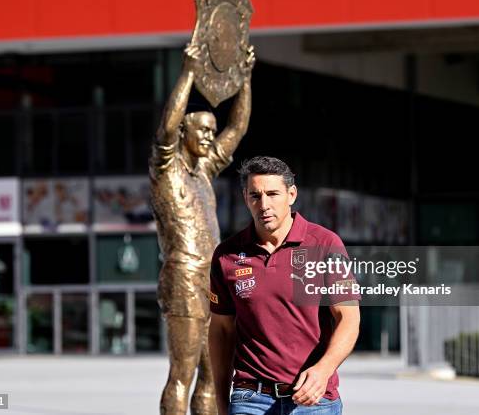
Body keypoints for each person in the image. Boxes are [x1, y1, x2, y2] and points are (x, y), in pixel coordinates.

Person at [208, 157, 361, 415]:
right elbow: (221, 331)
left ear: (291, 194)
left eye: (272, 194)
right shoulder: (227, 255)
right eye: (255, 195)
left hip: (314, 400)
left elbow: (349, 318)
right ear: (245, 198)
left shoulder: (324, 244)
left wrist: (323, 370)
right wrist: (222, 403)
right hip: (250, 398)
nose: (264, 205)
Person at [149, 43, 255, 415]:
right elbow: (166, 126)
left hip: (213, 280)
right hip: (183, 277)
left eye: (212, 131)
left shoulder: (204, 172)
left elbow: (238, 127)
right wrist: (190, 72)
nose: (210, 138)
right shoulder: (167, 169)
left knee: (216, 375)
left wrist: (244, 78)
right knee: (183, 373)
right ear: (185, 133)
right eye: (203, 131)